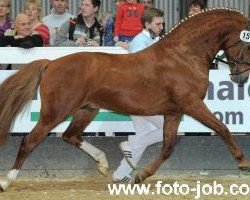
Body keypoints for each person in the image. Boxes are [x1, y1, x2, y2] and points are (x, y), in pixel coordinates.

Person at [112, 7, 164, 183]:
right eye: (158, 24)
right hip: (139, 97)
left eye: (162, 24)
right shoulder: (140, 41)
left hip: (140, 97)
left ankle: (120, 174)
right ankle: (129, 144)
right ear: (147, 23)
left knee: (142, 136)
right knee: (169, 129)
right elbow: (140, 70)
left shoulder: (153, 40)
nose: (161, 27)